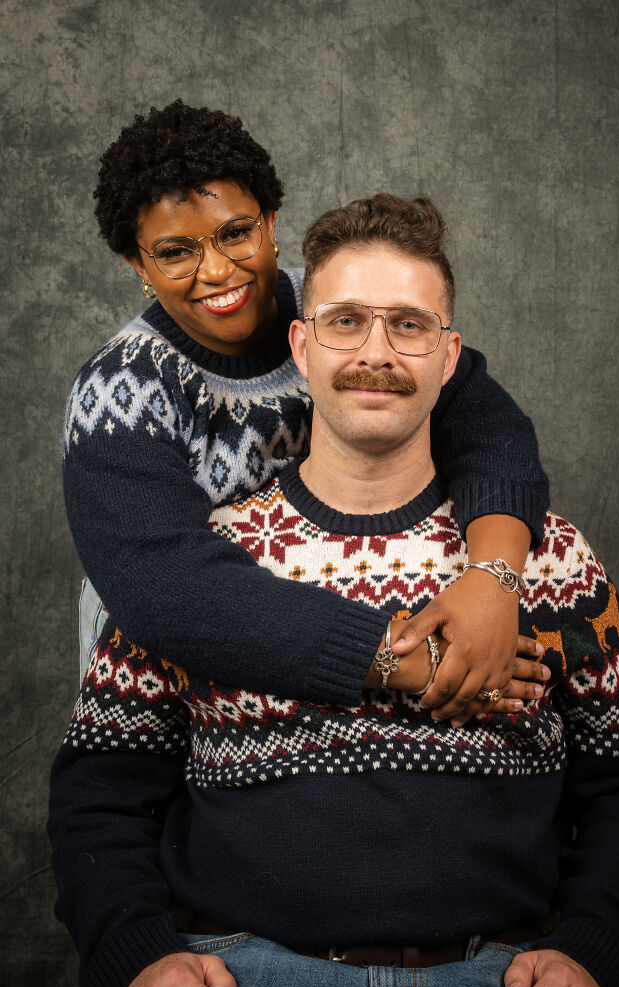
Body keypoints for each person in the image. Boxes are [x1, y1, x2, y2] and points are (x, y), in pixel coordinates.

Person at [49, 194, 619, 987]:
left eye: (410, 327)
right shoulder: (205, 567)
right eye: (345, 322)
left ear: (451, 358)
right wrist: (132, 962)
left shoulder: (549, 556)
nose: (376, 355)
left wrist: (597, 955)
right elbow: (101, 791)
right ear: (300, 347)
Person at [63, 100, 551, 728]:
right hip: (182, 673)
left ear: (269, 221)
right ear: (139, 265)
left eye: (236, 233)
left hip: (369, 624)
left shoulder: (339, 314)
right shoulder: (118, 391)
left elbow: (492, 429)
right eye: (176, 252)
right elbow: (166, 587)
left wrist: (492, 581)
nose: (217, 271)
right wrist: (415, 662)